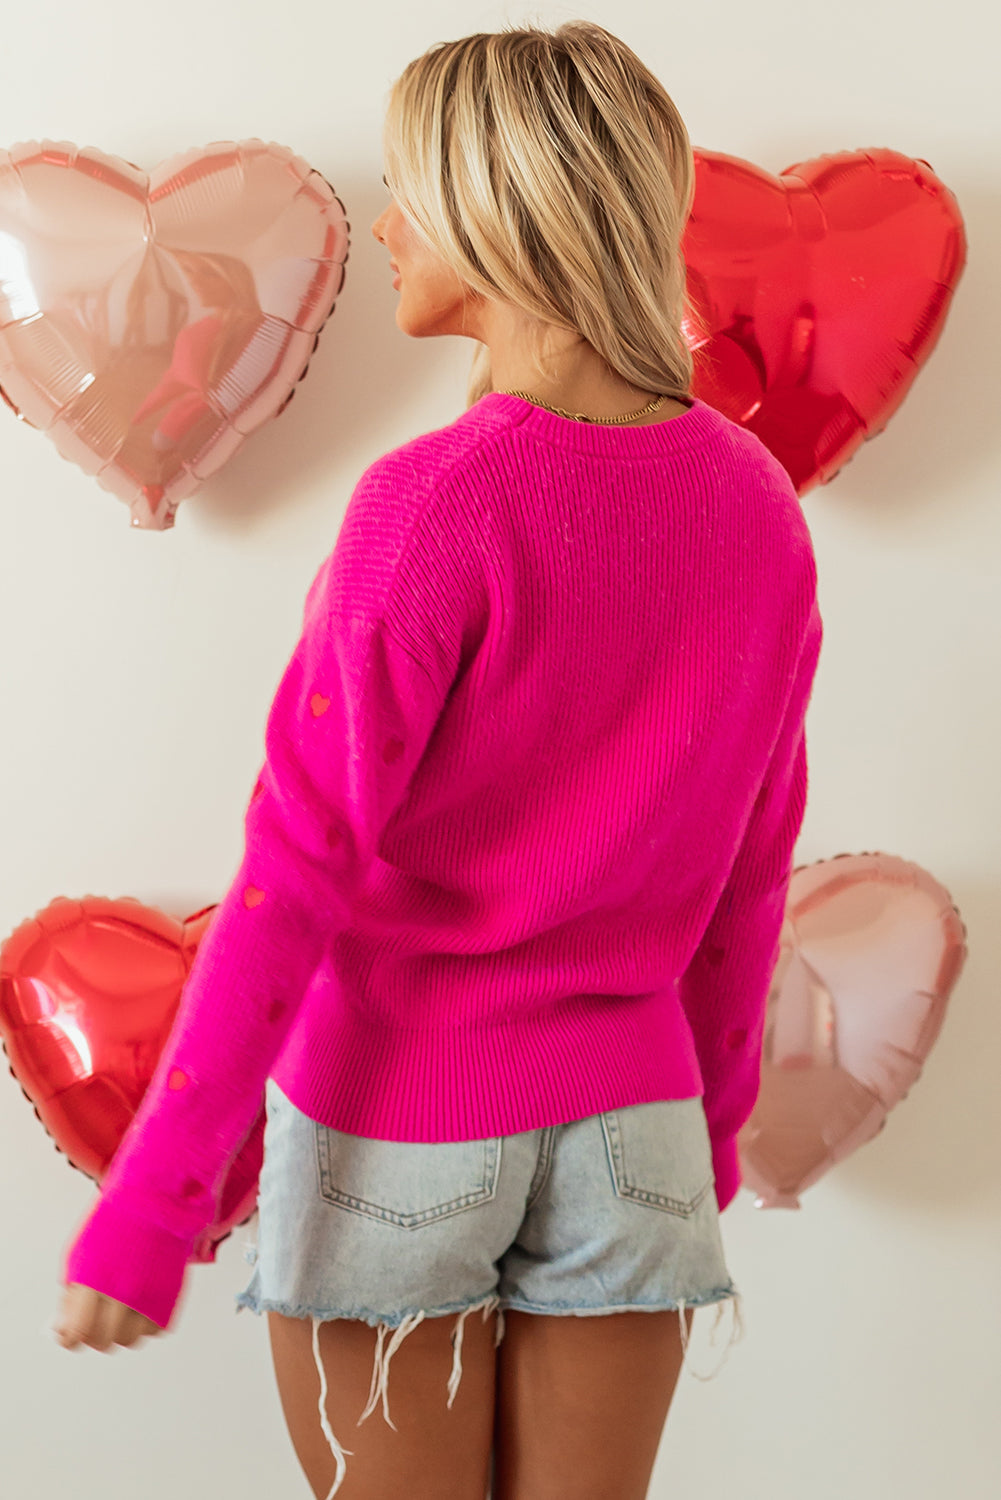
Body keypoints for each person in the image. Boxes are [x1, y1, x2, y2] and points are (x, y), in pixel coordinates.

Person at [53, 19, 823, 1500]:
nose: (389, 220)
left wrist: (153, 1208)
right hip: (636, 1128)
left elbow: (297, 867)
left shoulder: (434, 506)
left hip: (402, 1123)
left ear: (498, 209)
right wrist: (702, 1143)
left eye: (410, 185)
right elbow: (753, 862)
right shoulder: (755, 505)